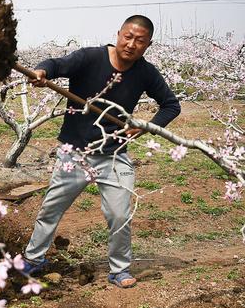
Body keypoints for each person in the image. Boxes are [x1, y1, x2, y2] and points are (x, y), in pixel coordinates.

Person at [23, 15, 181, 288]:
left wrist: (145, 126)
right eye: (128, 36)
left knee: (120, 215)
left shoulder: (146, 73)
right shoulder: (90, 58)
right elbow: (56, 64)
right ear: (118, 34)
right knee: (51, 209)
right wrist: (41, 71)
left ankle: (119, 270)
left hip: (113, 153)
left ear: (148, 45)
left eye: (139, 41)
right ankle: (33, 259)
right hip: (75, 154)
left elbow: (171, 105)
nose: (131, 44)